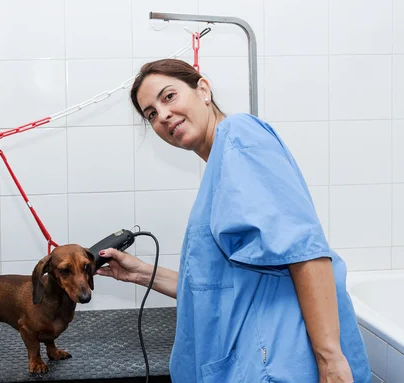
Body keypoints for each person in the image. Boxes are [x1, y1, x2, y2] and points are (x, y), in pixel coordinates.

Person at [96, 58, 372, 383]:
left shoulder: (238, 136)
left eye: (168, 97)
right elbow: (216, 287)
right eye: (151, 114)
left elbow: (303, 250)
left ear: (203, 89)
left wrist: (330, 361)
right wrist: (142, 274)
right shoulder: (220, 165)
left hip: (284, 363)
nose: (163, 115)